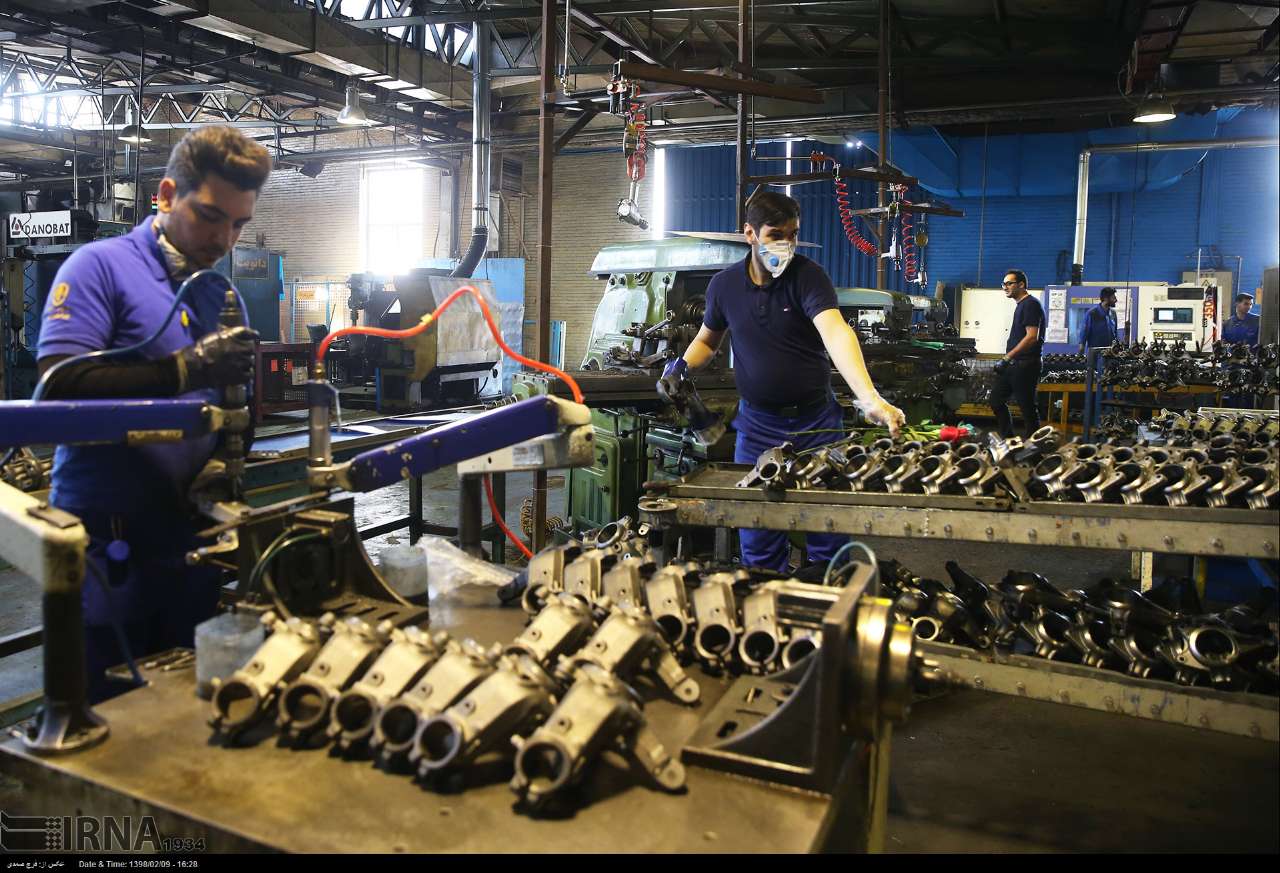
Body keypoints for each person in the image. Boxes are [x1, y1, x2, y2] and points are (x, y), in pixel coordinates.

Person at [36, 126, 270, 701]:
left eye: (238, 224)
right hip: (105, 543)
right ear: (166, 195)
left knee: (187, 709)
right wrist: (185, 370)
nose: (223, 239)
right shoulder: (98, 267)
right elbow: (57, 387)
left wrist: (222, 459)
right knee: (106, 710)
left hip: (188, 540)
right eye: (210, 216)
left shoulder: (217, 293)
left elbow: (232, 405)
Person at [660, 190, 905, 572]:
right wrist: (680, 366)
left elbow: (835, 332)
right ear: (750, 234)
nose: (786, 244)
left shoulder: (808, 277)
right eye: (776, 235)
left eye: (792, 234)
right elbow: (707, 340)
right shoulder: (724, 286)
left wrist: (870, 397)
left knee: (828, 532)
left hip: (817, 426)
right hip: (758, 427)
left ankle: (826, 596)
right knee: (757, 534)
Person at [990, 269, 1044, 438]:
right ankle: (1009, 440)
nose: (1005, 287)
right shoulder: (1022, 305)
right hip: (1014, 365)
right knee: (996, 400)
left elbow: (1032, 336)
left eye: (1009, 283)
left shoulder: (1030, 304)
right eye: (1003, 284)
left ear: (1021, 285)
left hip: (1025, 365)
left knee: (1027, 408)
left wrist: (1007, 357)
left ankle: (1034, 446)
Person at [1077, 286, 1119, 355]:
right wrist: (1081, 351)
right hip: (1095, 354)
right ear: (1105, 298)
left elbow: (1115, 333)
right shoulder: (1092, 313)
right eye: (1113, 298)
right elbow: (1084, 333)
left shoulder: (1113, 313)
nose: (1116, 300)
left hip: (1110, 353)